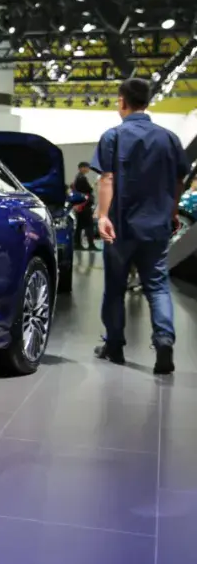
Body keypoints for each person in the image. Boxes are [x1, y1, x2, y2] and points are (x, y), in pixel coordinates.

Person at [92, 77, 190, 374]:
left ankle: (115, 346)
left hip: (120, 227)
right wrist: (171, 211)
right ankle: (164, 341)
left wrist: (103, 215)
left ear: (122, 101)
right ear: (146, 102)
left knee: (115, 287)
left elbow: (107, 178)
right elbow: (179, 180)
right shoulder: (169, 138)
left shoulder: (113, 136)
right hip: (156, 226)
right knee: (158, 287)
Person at [72, 162, 98, 251]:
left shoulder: (78, 178)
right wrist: (93, 185)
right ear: (81, 168)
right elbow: (89, 190)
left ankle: (77, 244)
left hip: (80, 205)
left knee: (79, 226)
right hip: (84, 205)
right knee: (89, 225)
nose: (88, 169)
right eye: (86, 167)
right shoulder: (81, 178)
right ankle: (91, 244)